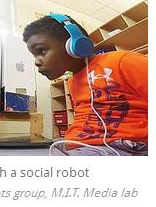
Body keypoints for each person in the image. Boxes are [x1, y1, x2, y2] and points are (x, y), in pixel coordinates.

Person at [23, 14, 148, 156]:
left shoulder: (121, 61)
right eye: (34, 55)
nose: (36, 62)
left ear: (74, 43)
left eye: (42, 51)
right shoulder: (72, 81)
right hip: (77, 145)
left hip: (122, 146)